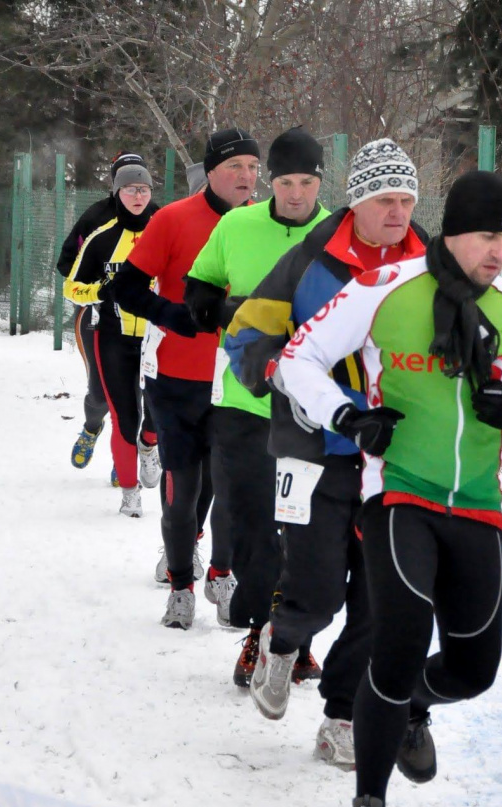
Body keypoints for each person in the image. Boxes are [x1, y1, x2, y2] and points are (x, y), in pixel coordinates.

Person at [278, 169, 502, 807]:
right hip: (398, 491)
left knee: (473, 667)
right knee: (395, 643)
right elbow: (296, 358)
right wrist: (347, 414)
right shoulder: (383, 289)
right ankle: (368, 806)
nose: (500, 251)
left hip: (478, 507)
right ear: (455, 231)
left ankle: (410, 708)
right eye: (489, 236)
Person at [224, 138, 427, 768]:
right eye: (384, 199)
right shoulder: (315, 258)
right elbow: (246, 334)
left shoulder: (430, 261)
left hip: (395, 453)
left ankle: (342, 716)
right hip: (314, 445)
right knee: (316, 587)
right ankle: (282, 642)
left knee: (378, 597)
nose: (398, 212)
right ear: (357, 202)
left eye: (407, 199)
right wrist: (287, 376)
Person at [185, 127, 331, 688]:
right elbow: (197, 293)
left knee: (307, 530)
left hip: (313, 409)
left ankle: (285, 640)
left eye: (308, 181)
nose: (296, 192)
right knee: (252, 524)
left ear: (321, 182)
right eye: (287, 181)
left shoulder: (338, 233)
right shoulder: (236, 225)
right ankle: (260, 631)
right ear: (271, 183)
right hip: (246, 401)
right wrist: (236, 313)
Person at [113, 128, 260, 629]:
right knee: (183, 489)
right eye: (234, 166)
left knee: (228, 487)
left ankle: (221, 573)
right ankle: (180, 584)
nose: (246, 176)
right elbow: (125, 287)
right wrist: (173, 317)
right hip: (176, 378)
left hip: (239, 382)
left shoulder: (265, 226)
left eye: (252, 167)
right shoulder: (174, 218)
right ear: (210, 171)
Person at [63, 163, 161, 517]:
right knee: (122, 412)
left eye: (144, 189)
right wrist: (101, 291)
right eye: (130, 189)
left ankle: (149, 446)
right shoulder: (101, 236)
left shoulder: (165, 230)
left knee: (158, 409)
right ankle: (129, 489)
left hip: (157, 337)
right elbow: (71, 286)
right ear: (118, 193)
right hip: (112, 336)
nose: (138, 196)